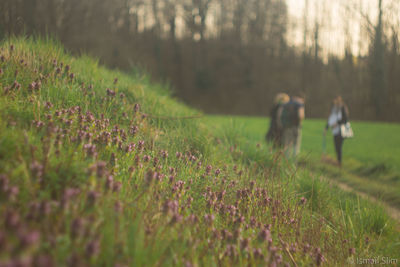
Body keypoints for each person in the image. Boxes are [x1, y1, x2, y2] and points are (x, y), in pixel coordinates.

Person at [324, 96, 349, 167]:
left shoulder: (342, 108)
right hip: (335, 131)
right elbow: (330, 119)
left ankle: (339, 162)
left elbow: (345, 119)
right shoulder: (334, 109)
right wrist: (326, 128)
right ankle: (338, 161)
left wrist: (337, 123)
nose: (334, 102)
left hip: (341, 130)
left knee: (339, 147)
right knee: (336, 146)